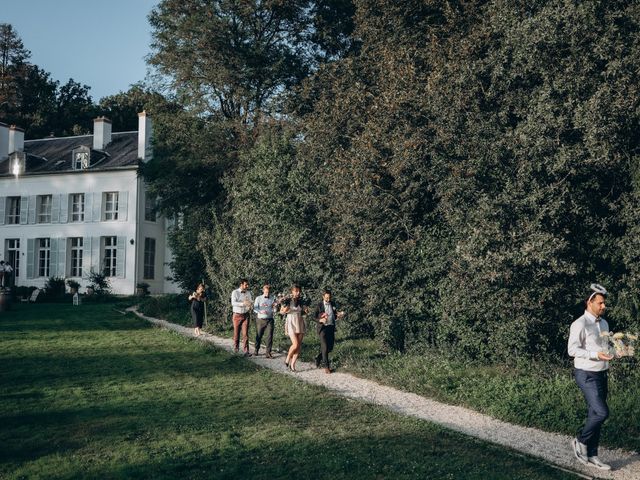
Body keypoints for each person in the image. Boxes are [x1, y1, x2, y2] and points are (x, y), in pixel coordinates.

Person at [568, 283, 614, 471]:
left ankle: (593, 454)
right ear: (590, 302)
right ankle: (580, 441)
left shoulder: (604, 323)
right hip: (586, 374)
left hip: (602, 373)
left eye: (604, 303)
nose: (604, 306)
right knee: (602, 412)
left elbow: (604, 348)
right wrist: (595, 355)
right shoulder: (580, 324)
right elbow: (572, 350)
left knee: (594, 414)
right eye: (600, 303)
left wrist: (617, 350)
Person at [314, 289, 345, 374]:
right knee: (324, 346)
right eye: (326, 298)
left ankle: (319, 357)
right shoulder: (319, 305)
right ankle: (326, 367)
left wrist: (338, 315)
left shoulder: (333, 304)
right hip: (322, 328)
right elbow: (314, 317)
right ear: (323, 297)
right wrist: (320, 320)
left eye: (329, 298)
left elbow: (334, 316)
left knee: (330, 347)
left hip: (331, 327)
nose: (328, 299)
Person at [280, 284, 307, 372]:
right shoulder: (287, 300)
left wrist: (306, 311)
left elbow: (304, 312)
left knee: (298, 346)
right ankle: (287, 358)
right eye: (296, 291)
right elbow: (282, 311)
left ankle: (293, 365)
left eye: (299, 291)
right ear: (292, 291)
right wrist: (285, 309)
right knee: (295, 344)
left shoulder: (301, 301)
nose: (298, 293)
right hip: (291, 322)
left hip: (300, 321)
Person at [231, 279, 253, 355]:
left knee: (245, 334)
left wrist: (250, 305)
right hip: (237, 315)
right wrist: (243, 303)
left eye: (247, 285)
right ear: (241, 284)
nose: (247, 286)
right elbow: (233, 303)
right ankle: (236, 350)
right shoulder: (235, 292)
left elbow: (250, 301)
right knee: (236, 333)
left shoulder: (248, 293)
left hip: (246, 315)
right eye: (246, 285)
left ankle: (246, 351)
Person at [253, 284, 275, 358]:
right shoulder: (258, 298)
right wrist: (261, 311)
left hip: (270, 319)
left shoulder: (272, 298)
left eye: (268, 292)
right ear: (263, 291)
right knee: (259, 335)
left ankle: (268, 352)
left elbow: (274, 309)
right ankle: (256, 350)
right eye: (266, 292)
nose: (267, 294)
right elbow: (255, 308)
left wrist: (274, 309)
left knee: (269, 336)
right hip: (260, 319)